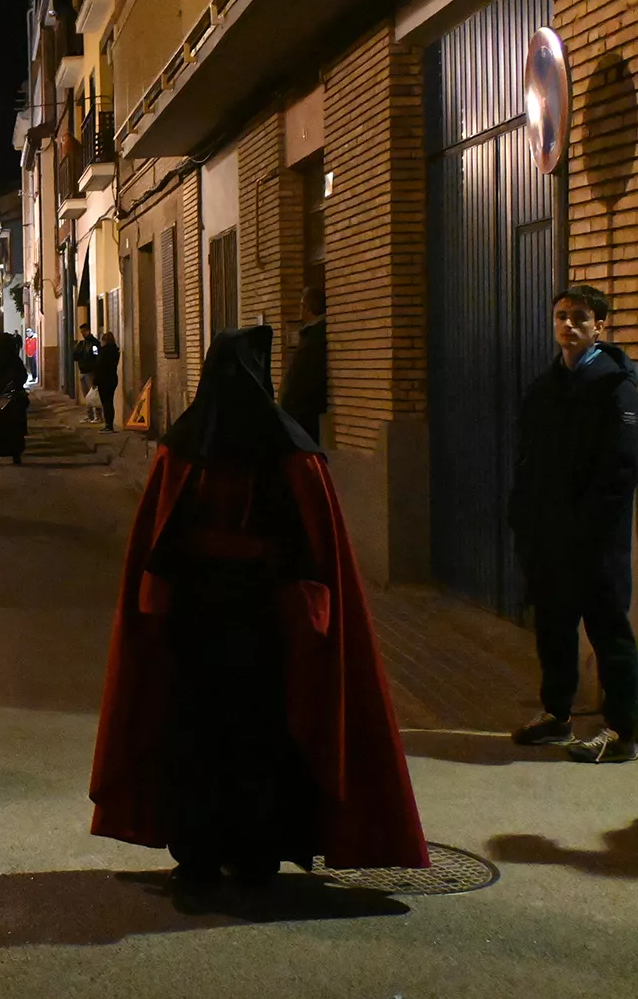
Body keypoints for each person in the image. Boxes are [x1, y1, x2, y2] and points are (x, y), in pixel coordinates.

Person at [90, 326, 428, 886]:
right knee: (259, 736)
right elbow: (313, 551)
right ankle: (254, 855)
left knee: (195, 734)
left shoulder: (183, 448)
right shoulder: (292, 452)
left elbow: (158, 546)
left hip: (197, 624)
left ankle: (198, 857)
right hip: (262, 625)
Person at [508, 284, 638, 764]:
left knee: (609, 632)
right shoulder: (545, 387)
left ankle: (622, 733)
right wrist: (523, 516)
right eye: (561, 316)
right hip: (548, 536)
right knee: (554, 627)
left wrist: (589, 530)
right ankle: (557, 715)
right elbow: (529, 460)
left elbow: (621, 468)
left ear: (599, 326)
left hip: (595, 540)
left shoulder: (616, 385)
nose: (568, 325)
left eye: (580, 317)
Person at [281, 288, 328, 445]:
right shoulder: (311, 334)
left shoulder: (315, 336)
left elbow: (304, 378)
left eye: (301, 305)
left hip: (305, 416)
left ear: (307, 308)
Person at [0, 332, 30, 466]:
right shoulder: (12, 359)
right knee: (12, 431)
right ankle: (14, 455)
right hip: (7, 402)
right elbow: (22, 376)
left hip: (2, 401)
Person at [74, 324, 101, 422]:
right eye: (81, 332)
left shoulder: (94, 344)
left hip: (90, 372)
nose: (82, 334)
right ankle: (89, 416)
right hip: (83, 371)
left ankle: (97, 416)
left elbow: (96, 357)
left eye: (84, 331)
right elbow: (75, 356)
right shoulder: (82, 344)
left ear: (88, 331)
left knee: (94, 395)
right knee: (87, 396)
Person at [95, 331, 121, 432]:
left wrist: (95, 381)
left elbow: (99, 367)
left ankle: (108, 425)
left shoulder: (103, 352)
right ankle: (110, 424)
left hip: (104, 380)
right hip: (112, 379)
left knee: (106, 403)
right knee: (110, 402)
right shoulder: (115, 351)